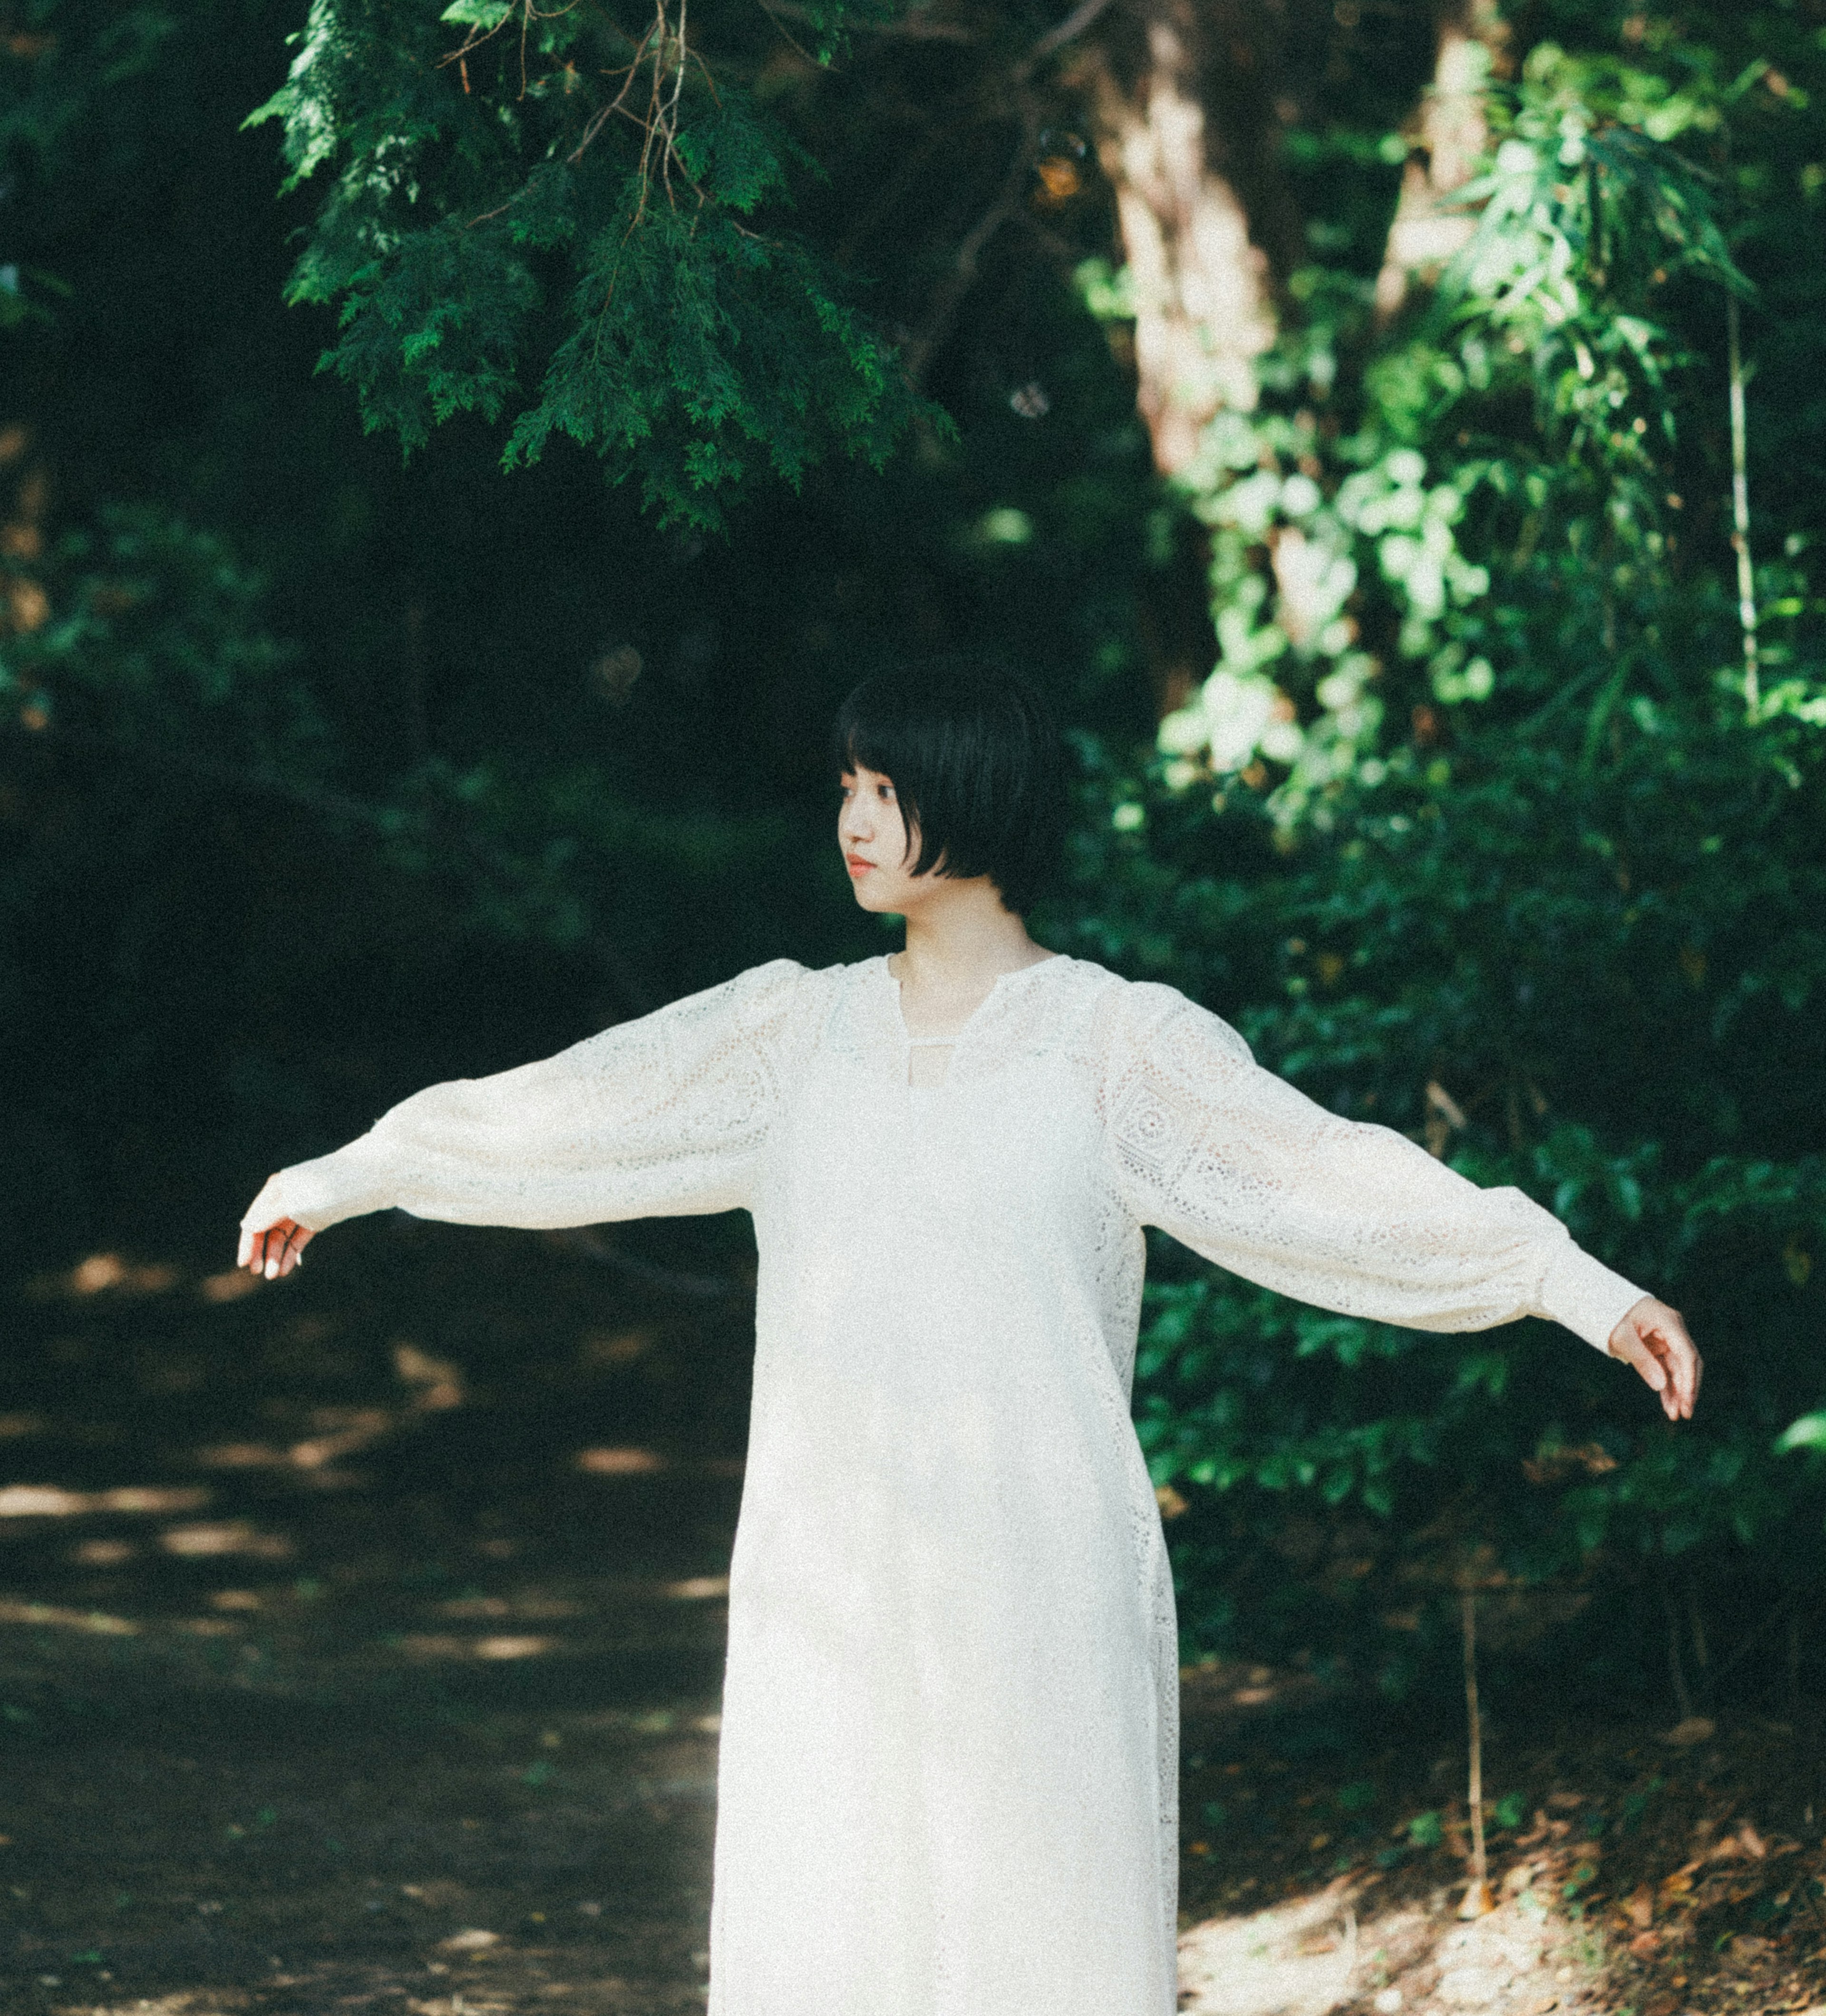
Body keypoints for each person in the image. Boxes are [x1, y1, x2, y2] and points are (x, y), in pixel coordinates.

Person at [238, 655, 1700, 2016]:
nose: (854, 819)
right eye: (846, 788)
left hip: (1043, 1586)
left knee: (1041, 1947)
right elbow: (569, 1106)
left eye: (887, 787)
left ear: (979, 798)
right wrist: (357, 1172)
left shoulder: (1115, 1043)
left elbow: (1325, 1176)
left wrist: (1575, 1283)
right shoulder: (788, 1037)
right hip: (832, 1585)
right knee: (830, 1934)